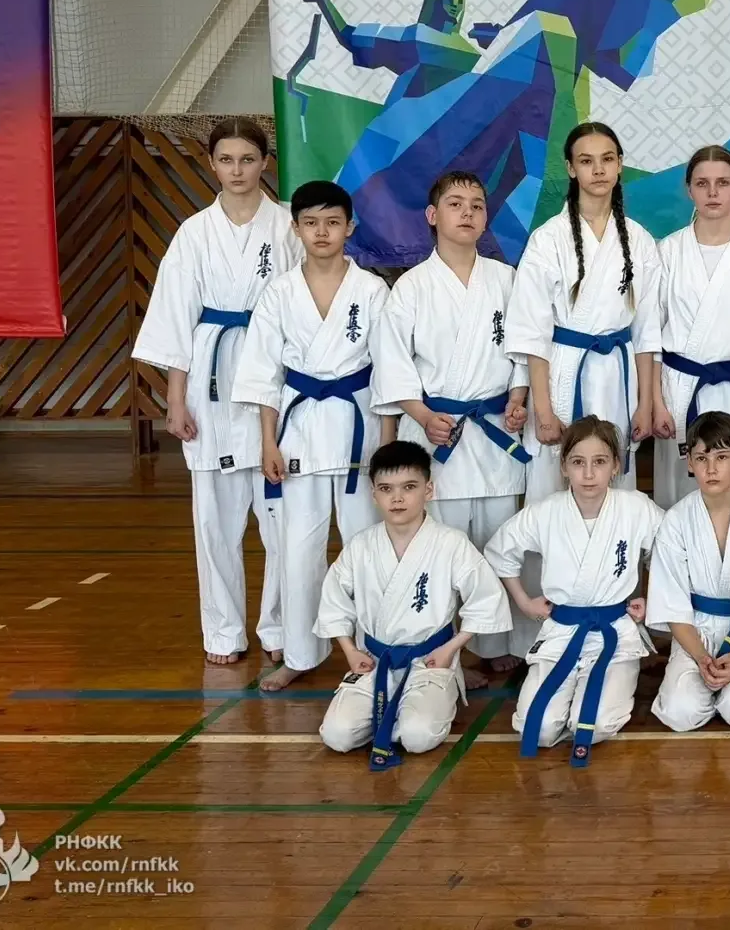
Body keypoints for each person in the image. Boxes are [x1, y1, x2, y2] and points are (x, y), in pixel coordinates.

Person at [132, 117, 300, 666]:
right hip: (211, 377)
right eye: (226, 160)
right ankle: (224, 631)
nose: (237, 170)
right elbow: (175, 318)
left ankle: (280, 628)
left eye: (247, 159)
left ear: (264, 163)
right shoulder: (193, 233)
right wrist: (175, 399)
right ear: (211, 164)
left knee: (283, 523)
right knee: (214, 523)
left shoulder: (287, 227)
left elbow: (305, 306)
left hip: (274, 374)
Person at [369, 171, 530, 683]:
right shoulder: (411, 287)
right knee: (440, 548)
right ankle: (441, 646)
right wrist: (421, 416)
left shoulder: (506, 280)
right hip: (437, 432)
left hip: (494, 430)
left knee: (498, 542)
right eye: (455, 204)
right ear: (432, 215)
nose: (467, 213)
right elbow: (393, 363)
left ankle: (496, 642)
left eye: (477, 205)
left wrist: (520, 397)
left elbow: (524, 349)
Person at [232, 179, 388, 691]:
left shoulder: (372, 291)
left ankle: (375, 649)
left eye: (332, 222)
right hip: (298, 432)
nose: (322, 232)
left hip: (358, 432)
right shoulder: (278, 293)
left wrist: (387, 443)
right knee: (298, 551)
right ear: (296, 228)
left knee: (367, 547)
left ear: (350, 228)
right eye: (311, 222)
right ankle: (300, 653)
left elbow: (390, 370)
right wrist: (267, 442)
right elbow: (263, 374)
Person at [315, 440, 511, 768]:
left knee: (417, 737)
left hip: (430, 661)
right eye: (386, 489)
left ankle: (422, 706)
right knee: (336, 735)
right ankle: (398, 711)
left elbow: (487, 598)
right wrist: (350, 651)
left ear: (428, 490)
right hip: (374, 661)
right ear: (374, 494)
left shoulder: (450, 543)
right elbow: (333, 602)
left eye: (409, 487)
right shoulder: (361, 546)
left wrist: (451, 650)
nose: (397, 498)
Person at [484, 417, 663, 766]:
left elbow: (669, 550)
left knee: (593, 725)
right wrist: (524, 602)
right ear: (564, 467)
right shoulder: (546, 512)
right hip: (561, 632)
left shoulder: (635, 507)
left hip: (615, 633)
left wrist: (652, 596)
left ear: (616, 466)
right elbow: (498, 552)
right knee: (538, 730)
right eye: (578, 462)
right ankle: (569, 696)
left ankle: (590, 695)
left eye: (600, 462)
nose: (589, 474)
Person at [506, 122, 661, 499]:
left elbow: (647, 330)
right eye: (587, 161)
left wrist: (644, 404)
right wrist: (543, 410)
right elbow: (532, 331)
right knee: (554, 485)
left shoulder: (639, 239)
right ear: (571, 168)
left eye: (607, 159)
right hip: (563, 372)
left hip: (617, 378)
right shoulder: (548, 239)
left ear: (620, 164)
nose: (598, 170)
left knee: (614, 483)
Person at [651, 146, 730, 506]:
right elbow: (649, 333)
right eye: (702, 183)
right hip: (680, 391)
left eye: (723, 183)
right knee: (680, 497)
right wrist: (656, 402)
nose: (712, 192)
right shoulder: (668, 251)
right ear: (688, 189)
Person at [647, 412, 730, 731]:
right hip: (697, 631)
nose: (711, 468)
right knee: (680, 712)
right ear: (690, 463)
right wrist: (700, 657)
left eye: (721, 457)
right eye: (701, 458)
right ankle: (706, 680)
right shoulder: (676, 520)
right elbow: (672, 603)